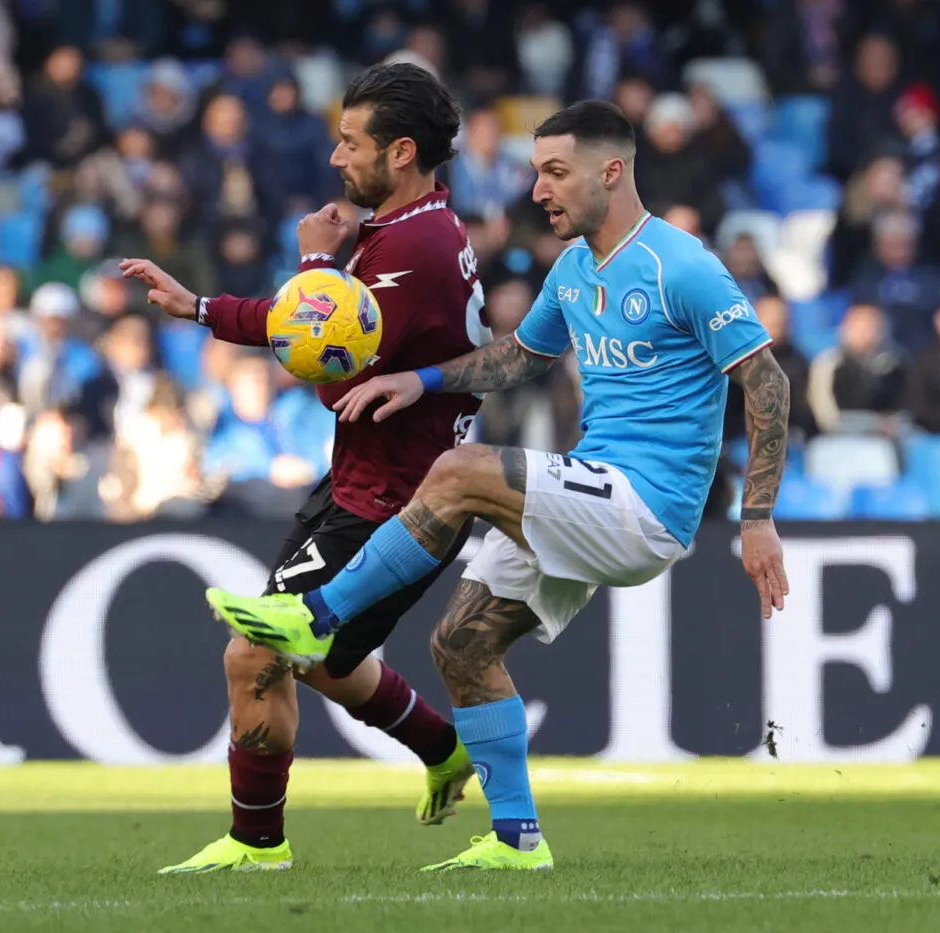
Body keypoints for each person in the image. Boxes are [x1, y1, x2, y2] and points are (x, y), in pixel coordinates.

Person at [209, 101, 791, 871]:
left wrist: (757, 518)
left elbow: (766, 377)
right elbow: (518, 356)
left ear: (611, 171)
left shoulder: (678, 263)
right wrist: (420, 379)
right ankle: (517, 840)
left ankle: (318, 617)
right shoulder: (577, 268)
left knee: (458, 471)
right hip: (595, 485)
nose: (538, 189)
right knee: (462, 643)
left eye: (555, 171)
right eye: (534, 171)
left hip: (647, 501)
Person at [118, 63, 489, 874]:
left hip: (395, 503)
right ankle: (444, 747)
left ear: (399, 152)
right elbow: (312, 330)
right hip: (373, 483)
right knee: (326, 656)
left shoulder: (413, 248)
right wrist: (202, 308)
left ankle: (258, 845)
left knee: (257, 651)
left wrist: (318, 263)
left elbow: (326, 363)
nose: (333, 158)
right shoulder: (410, 230)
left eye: (348, 142)